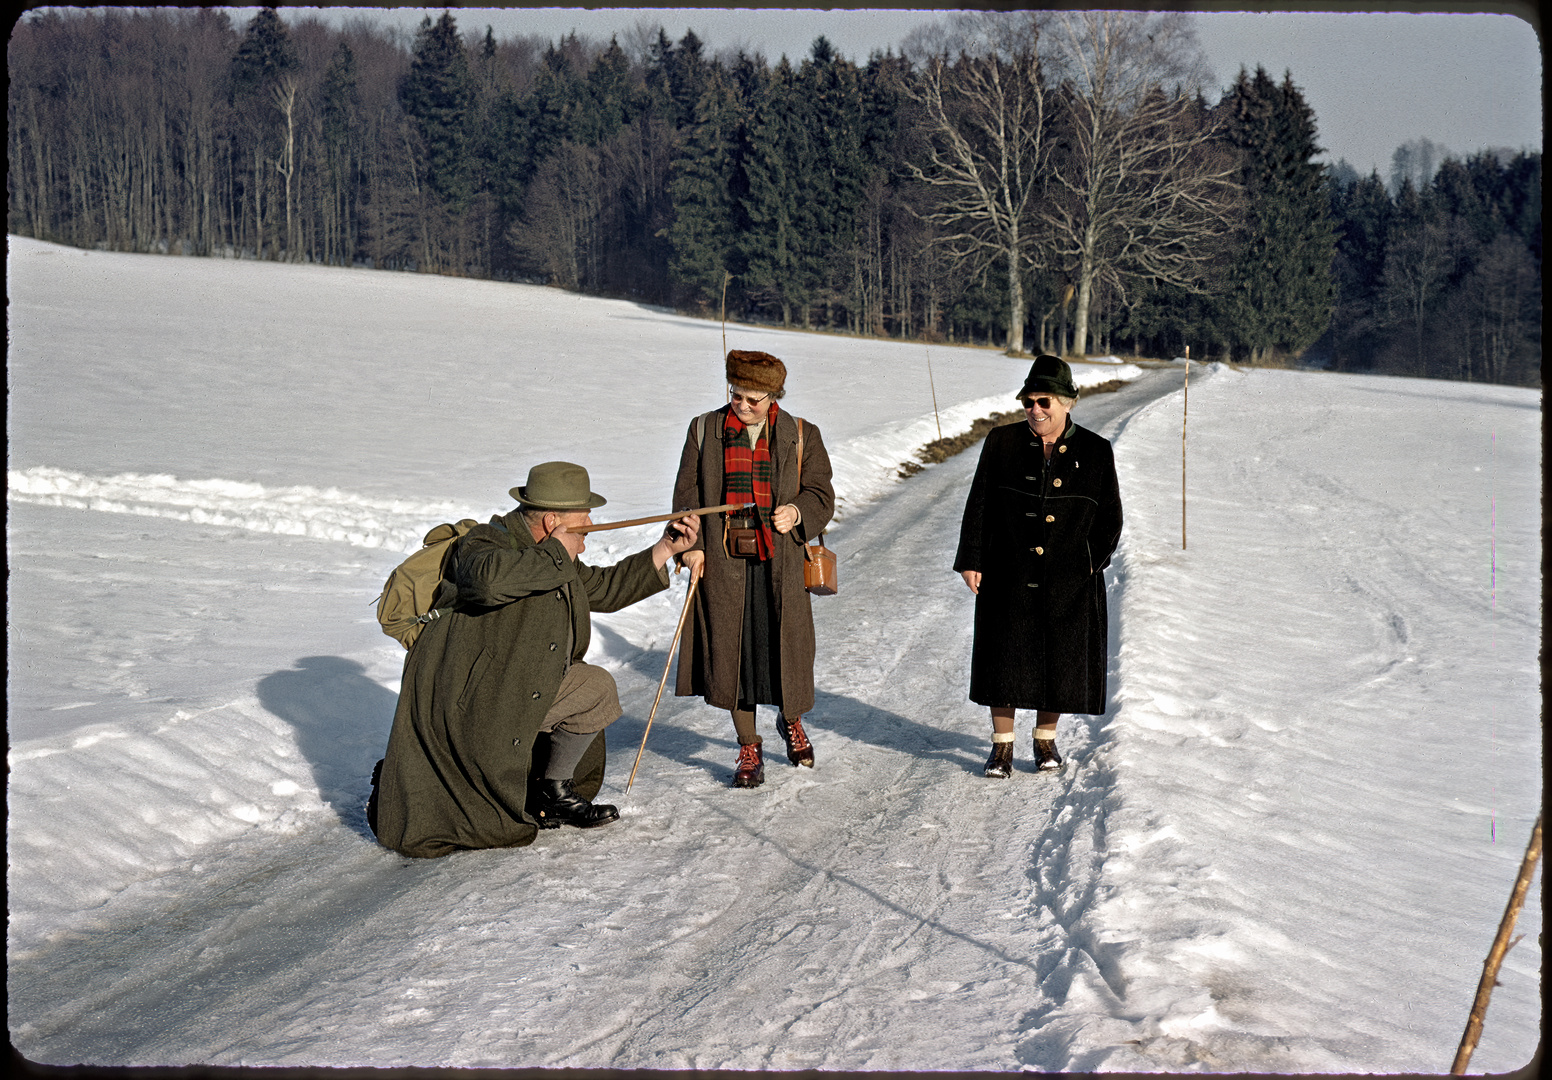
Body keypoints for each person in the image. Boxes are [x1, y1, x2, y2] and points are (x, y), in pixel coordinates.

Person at [369, 461, 701, 857]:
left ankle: (554, 791)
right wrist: (557, 553)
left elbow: (605, 589)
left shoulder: (553, 557)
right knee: (484, 823)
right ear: (550, 522)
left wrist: (666, 548)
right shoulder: (483, 543)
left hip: (523, 691)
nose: (590, 530)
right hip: (471, 701)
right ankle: (395, 781)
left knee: (595, 688)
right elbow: (489, 582)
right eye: (584, 524)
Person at [954, 355, 1122, 778]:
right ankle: (1002, 748)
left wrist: (1086, 564)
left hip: (1071, 580)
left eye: (1043, 400)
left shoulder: (1097, 451)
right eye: (1028, 401)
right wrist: (972, 559)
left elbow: (1110, 519)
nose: (1035, 409)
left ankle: (1045, 740)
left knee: (1060, 661)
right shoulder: (1001, 442)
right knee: (1004, 658)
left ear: (1068, 402)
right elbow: (979, 506)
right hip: (1008, 572)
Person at [673, 350, 835, 787]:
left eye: (753, 399)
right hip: (723, 562)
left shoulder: (802, 435)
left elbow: (821, 493)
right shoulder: (705, 429)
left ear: (774, 396)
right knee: (733, 658)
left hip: (780, 562)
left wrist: (798, 513)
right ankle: (748, 745)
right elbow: (686, 495)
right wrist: (689, 547)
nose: (742, 406)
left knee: (786, 653)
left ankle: (792, 719)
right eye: (736, 395)